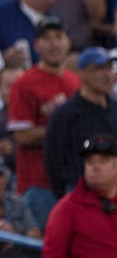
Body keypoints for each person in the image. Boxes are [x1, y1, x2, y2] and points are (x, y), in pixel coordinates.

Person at [7, 16, 80, 230]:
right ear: (36, 44)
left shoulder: (74, 81)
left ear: (68, 41)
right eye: (46, 38)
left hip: (72, 181)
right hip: (38, 185)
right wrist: (60, 128)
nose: (54, 44)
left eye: (59, 37)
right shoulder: (24, 83)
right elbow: (22, 135)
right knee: (42, 252)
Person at [42, 134, 117, 258]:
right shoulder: (67, 208)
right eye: (90, 162)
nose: (95, 167)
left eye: (103, 161)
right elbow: (52, 256)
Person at [45, 47, 117, 199]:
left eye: (109, 68)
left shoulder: (115, 108)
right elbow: (53, 162)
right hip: (82, 196)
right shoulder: (65, 115)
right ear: (82, 74)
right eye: (98, 69)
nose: (106, 75)